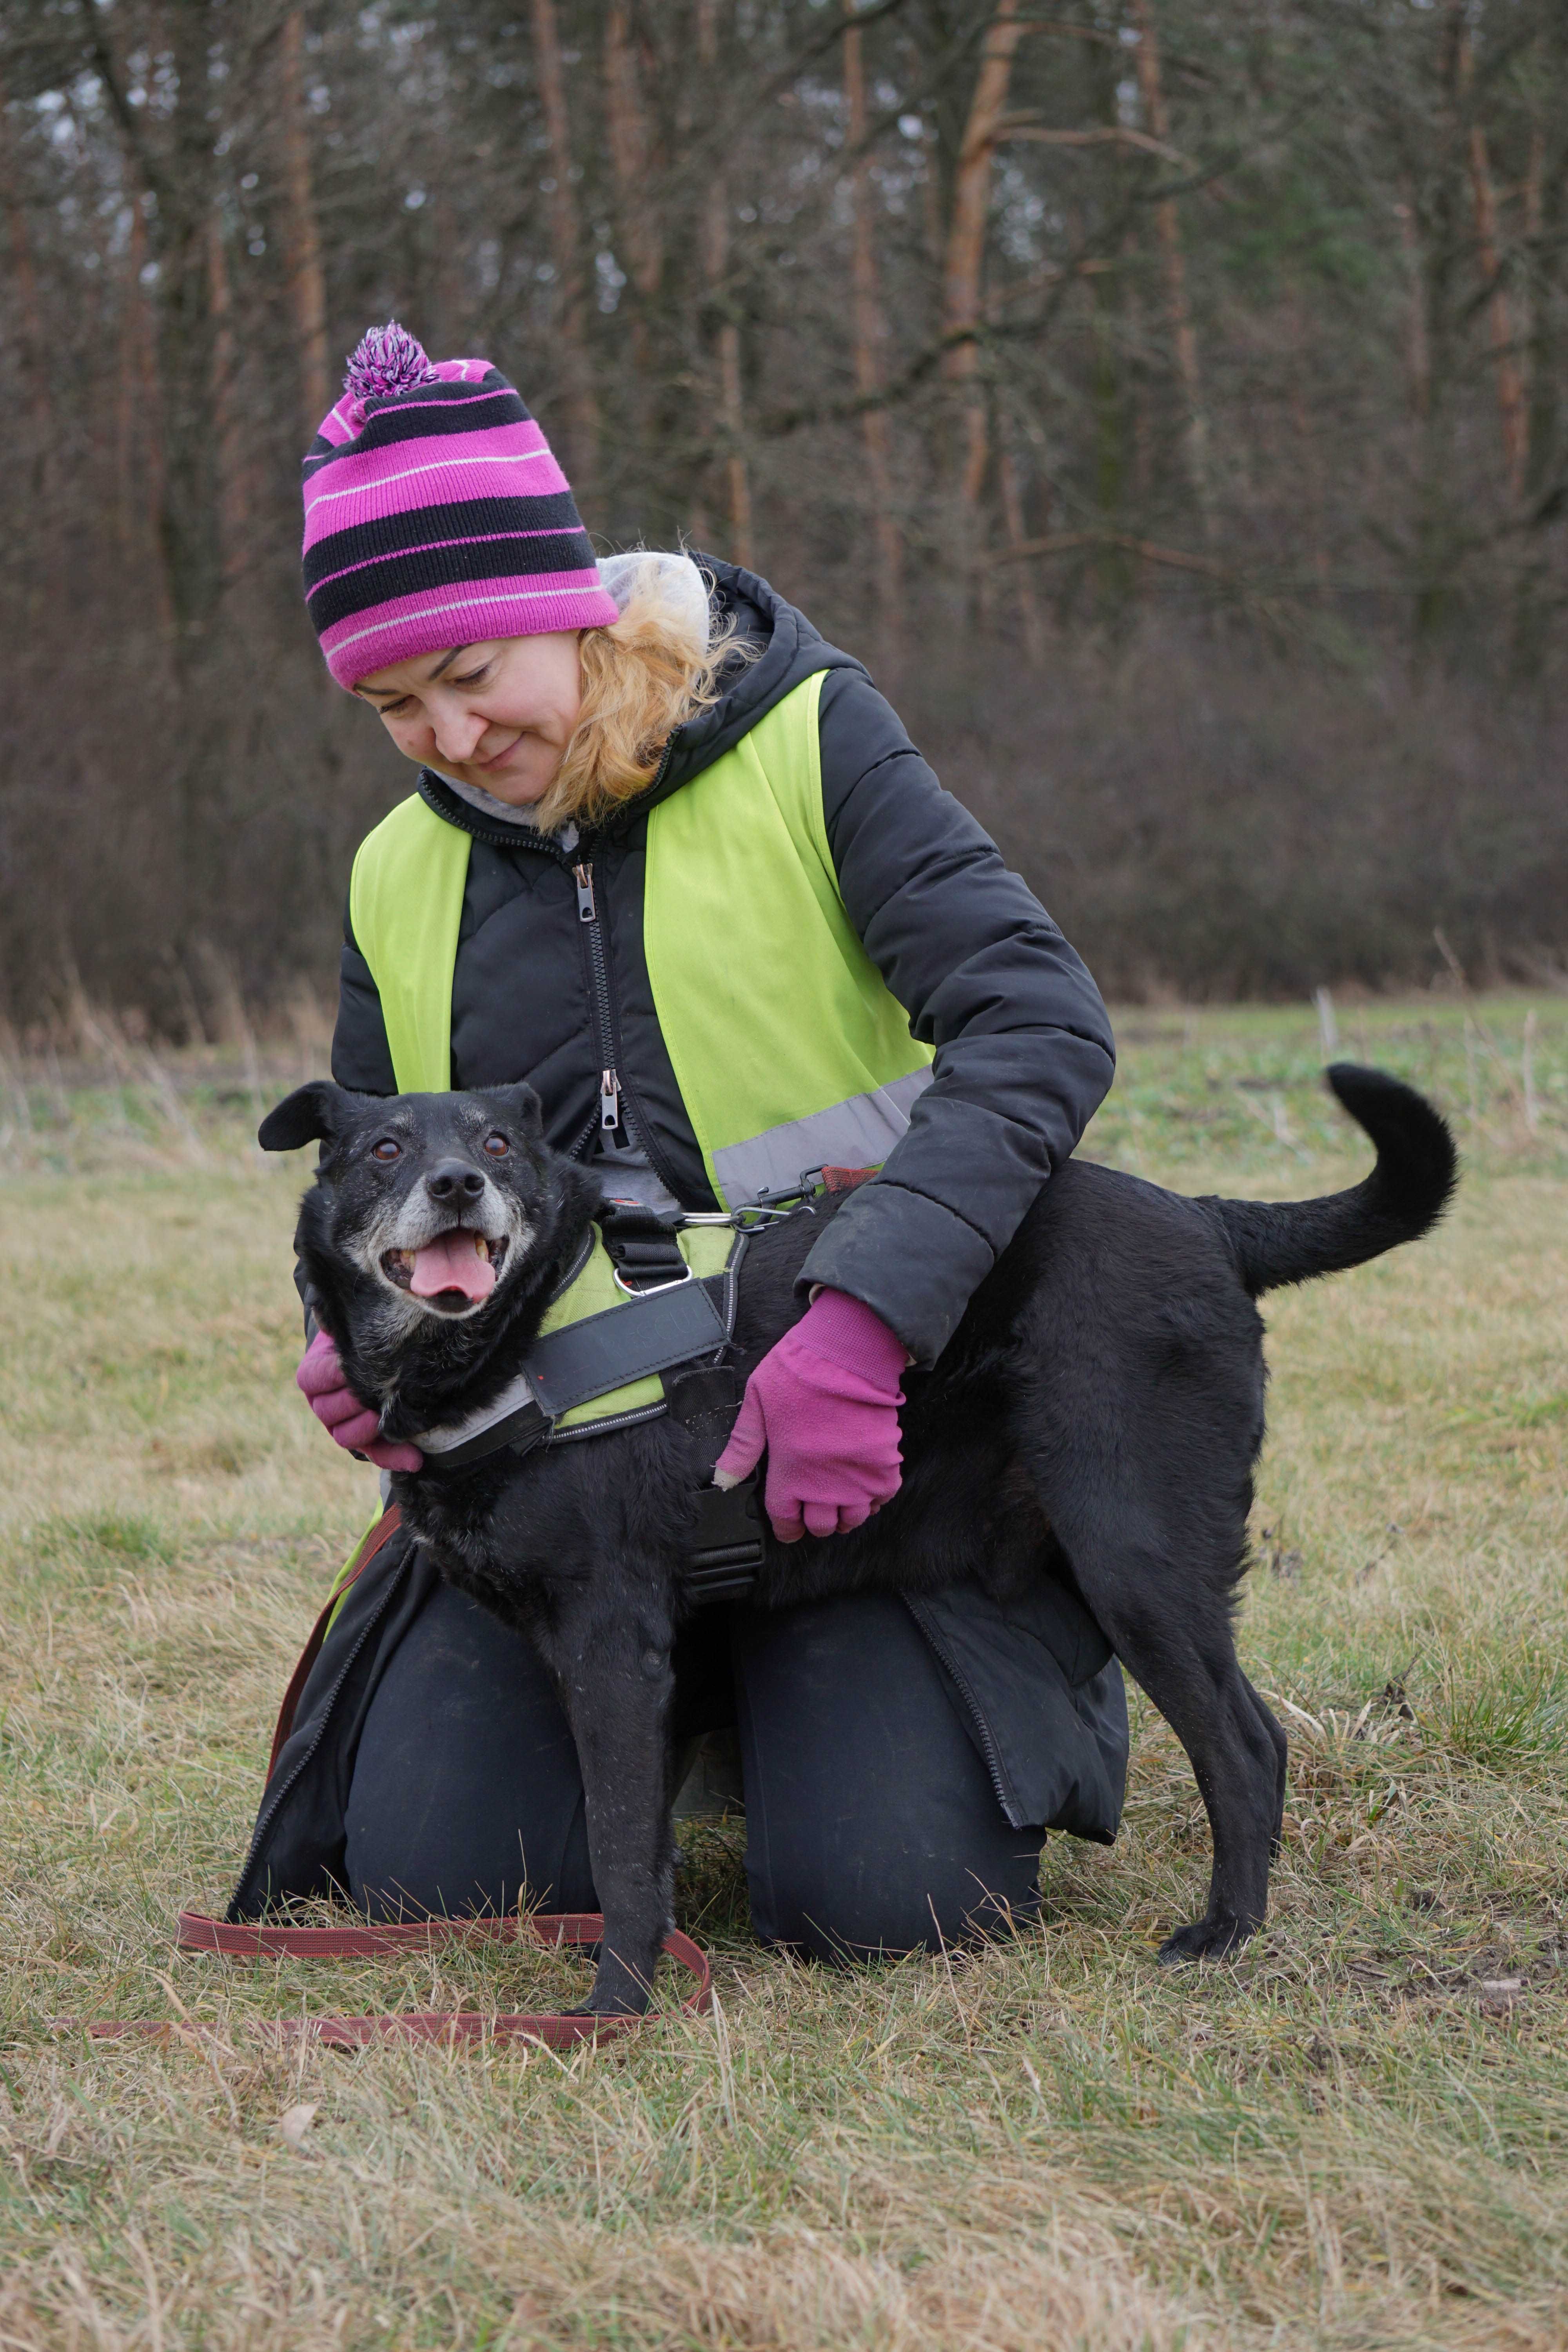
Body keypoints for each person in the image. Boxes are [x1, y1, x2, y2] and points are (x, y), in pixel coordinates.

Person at [233, 322, 1128, 1962]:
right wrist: (345, 1343)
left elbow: (1041, 1025)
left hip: (865, 1480)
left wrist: (869, 1317)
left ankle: (823, 1720)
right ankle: (677, 1715)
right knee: (440, 1889)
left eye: (471, 673)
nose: (443, 735)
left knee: (887, 1909)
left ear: (566, 605)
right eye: (390, 702)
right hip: (557, 1498)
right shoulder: (391, 874)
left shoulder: (809, 740)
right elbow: (361, 1172)